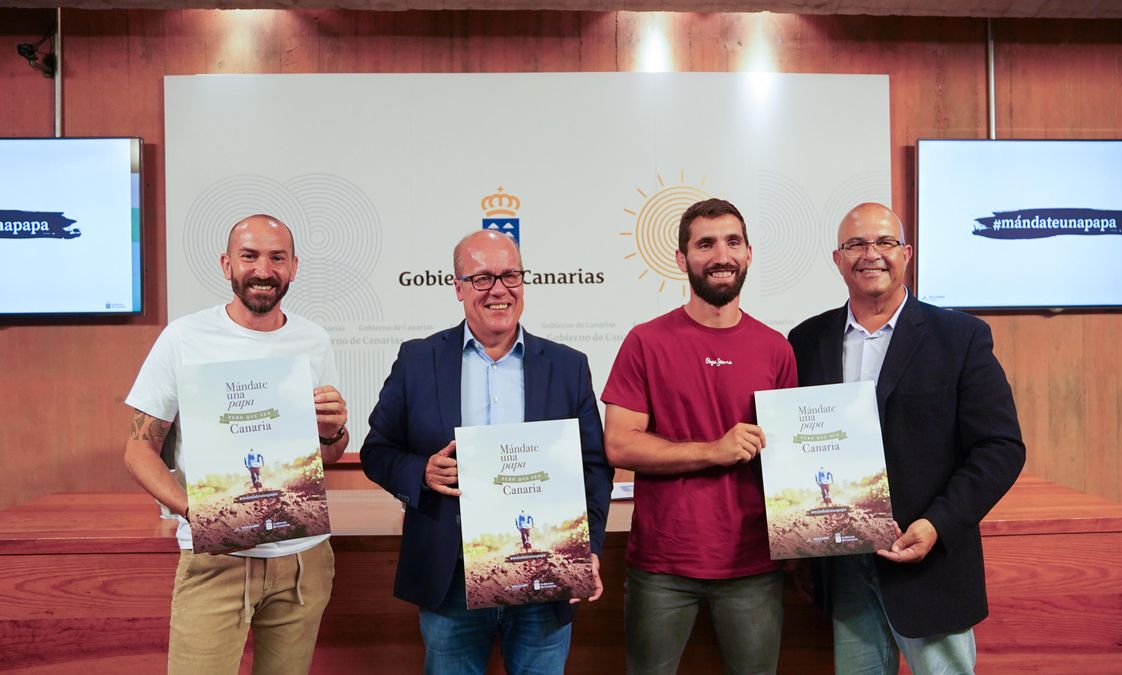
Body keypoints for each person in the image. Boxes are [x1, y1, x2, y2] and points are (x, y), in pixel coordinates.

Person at [360, 229, 613, 675]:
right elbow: (376, 450)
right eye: (481, 278)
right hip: (450, 575)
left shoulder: (568, 366)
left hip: (547, 572)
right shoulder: (418, 360)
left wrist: (588, 547)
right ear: (457, 287)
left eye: (510, 275)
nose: (499, 289)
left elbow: (592, 466)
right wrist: (421, 472)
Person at [788, 202, 1025, 674]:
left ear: (907, 254)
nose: (870, 254)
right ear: (838, 259)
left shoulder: (960, 337)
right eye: (855, 243)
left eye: (885, 242)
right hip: (843, 563)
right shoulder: (805, 341)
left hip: (928, 562)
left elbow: (1000, 448)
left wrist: (937, 523)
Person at [124, 214, 350, 675]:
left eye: (276, 257)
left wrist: (332, 431)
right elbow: (137, 450)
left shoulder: (314, 339)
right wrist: (194, 510)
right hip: (215, 559)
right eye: (249, 256)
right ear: (227, 265)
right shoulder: (185, 338)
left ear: (293, 267)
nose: (263, 269)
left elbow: (324, 457)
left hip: (303, 559)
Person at [602, 198, 797, 675]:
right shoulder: (645, 341)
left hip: (754, 564)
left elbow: (792, 460)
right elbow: (620, 444)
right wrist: (714, 451)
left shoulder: (776, 348)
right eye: (705, 244)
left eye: (732, 242)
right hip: (662, 564)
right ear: (681, 259)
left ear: (749, 253)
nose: (720, 255)